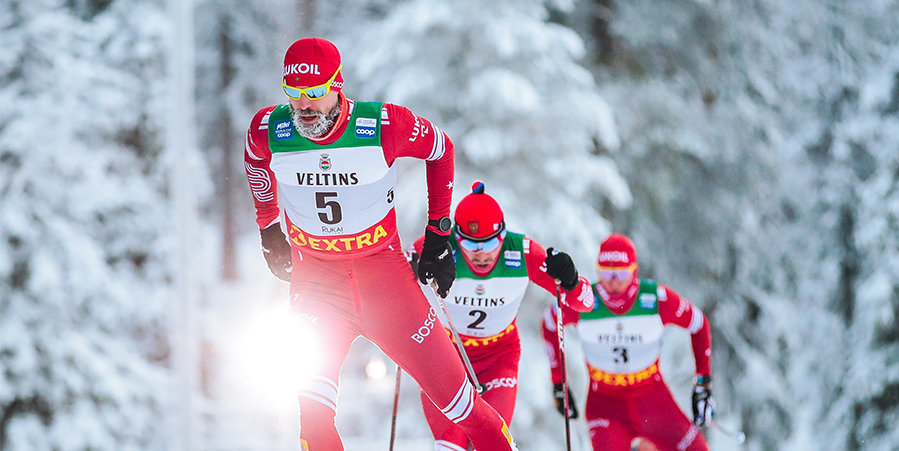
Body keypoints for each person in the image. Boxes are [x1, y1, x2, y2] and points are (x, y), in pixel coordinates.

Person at [243, 37, 517, 451]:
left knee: (465, 411)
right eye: (295, 95)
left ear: (338, 84)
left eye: (315, 93)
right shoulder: (271, 129)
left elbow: (440, 150)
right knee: (312, 422)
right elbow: (253, 158)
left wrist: (440, 233)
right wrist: (268, 227)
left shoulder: (383, 125)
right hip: (318, 286)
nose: (305, 107)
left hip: (384, 282)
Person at [406, 181, 596, 451]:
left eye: (491, 243)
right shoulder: (437, 246)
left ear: (503, 236)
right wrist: (408, 270)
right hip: (445, 354)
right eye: (471, 245)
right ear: (457, 239)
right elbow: (390, 279)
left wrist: (572, 280)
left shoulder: (522, 251)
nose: (482, 253)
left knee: (494, 440)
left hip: (499, 356)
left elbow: (585, 303)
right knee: (451, 443)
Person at [542, 233, 715, 451]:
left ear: (634, 270)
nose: (613, 282)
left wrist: (703, 385)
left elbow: (699, 324)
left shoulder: (655, 299)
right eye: (607, 273)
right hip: (605, 405)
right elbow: (549, 323)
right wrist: (559, 384)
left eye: (621, 274)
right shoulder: (584, 301)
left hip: (653, 400)